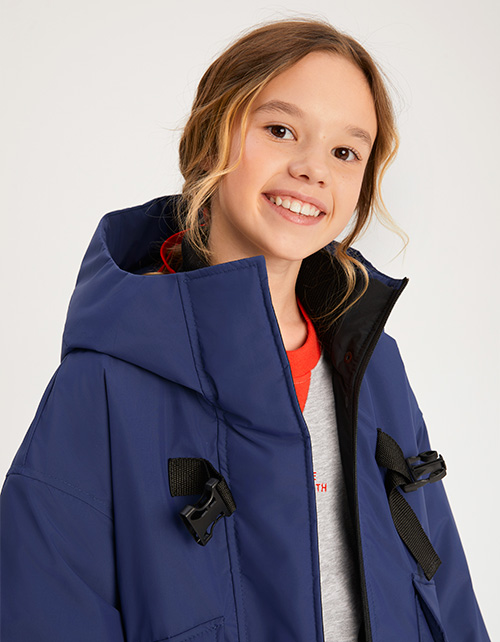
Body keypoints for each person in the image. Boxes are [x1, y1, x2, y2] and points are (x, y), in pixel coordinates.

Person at [0, 18, 490, 642]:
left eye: (345, 152)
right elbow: (46, 611)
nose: (313, 169)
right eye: (281, 130)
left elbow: (445, 591)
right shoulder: (102, 383)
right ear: (213, 136)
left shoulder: (375, 369)